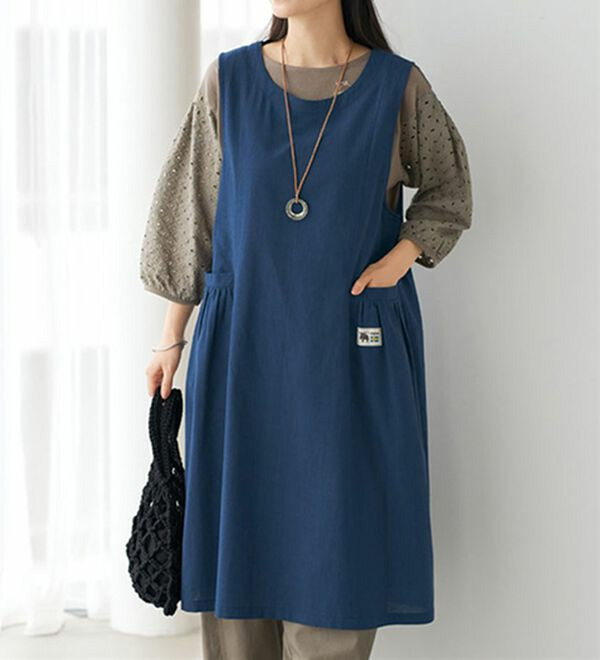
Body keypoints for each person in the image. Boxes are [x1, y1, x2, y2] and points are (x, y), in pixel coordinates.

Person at [140, 1, 472, 658]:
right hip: (243, 357)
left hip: (348, 363)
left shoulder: (397, 87)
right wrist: (170, 339)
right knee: (240, 568)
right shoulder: (228, 82)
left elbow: (449, 191)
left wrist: (401, 256)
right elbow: (191, 217)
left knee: (337, 567)